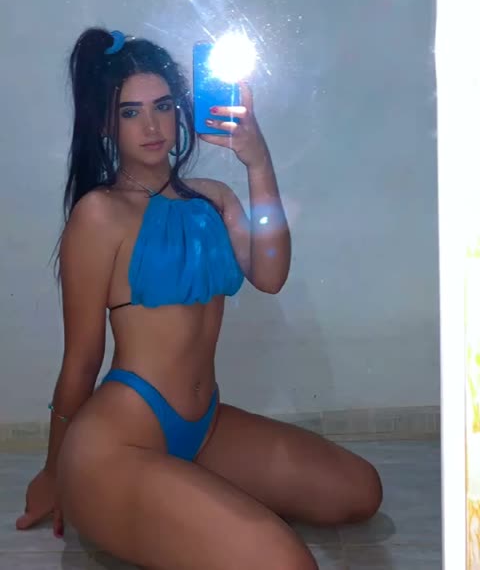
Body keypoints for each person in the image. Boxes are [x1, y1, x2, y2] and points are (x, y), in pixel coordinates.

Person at [16, 28, 382, 570]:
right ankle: (126, 491)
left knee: (358, 491)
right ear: (106, 125)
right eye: (131, 112)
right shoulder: (99, 214)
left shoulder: (214, 199)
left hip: (204, 426)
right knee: (286, 562)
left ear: (181, 110)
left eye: (163, 106)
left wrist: (257, 162)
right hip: (115, 444)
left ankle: (185, 488)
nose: (152, 126)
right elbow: (81, 360)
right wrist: (54, 472)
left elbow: (271, 275)